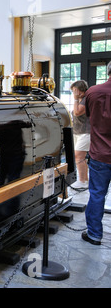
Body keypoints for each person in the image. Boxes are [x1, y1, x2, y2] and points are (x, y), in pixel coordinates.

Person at [80, 61, 111, 245]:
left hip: (100, 152)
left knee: (97, 194)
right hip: (100, 152)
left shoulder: (92, 91)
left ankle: (94, 234)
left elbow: (89, 116)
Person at [70, 80, 90, 189]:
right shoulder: (81, 99)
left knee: (79, 157)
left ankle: (82, 182)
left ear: (80, 90)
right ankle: (85, 180)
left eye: (74, 91)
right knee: (80, 158)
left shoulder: (86, 100)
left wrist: (76, 99)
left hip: (86, 133)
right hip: (78, 132)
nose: (73, 93)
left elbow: (77, 112)